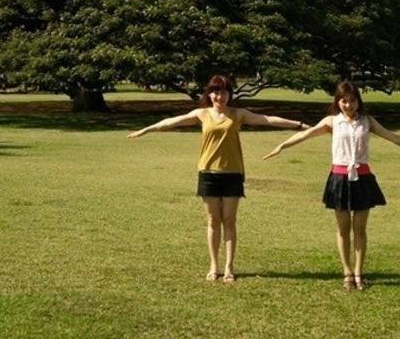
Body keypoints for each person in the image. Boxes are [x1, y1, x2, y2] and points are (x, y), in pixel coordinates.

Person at [127, 75, 309, 283]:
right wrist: (146, 129)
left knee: (229, 221)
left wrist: (299, 125)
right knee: (213, 221)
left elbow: (267, 119)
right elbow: (171, 122)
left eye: (223, 91)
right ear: (209, 94)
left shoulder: (238, 114)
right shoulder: (202, 114)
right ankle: (214, 266)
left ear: (229, 94)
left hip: (232, 174)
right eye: (215, 91)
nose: (219, 96)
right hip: (208, 174)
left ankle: (229, 267)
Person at [262, 80, 400, 290]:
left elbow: (393, 137)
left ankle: (358, 273)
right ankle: (346, 272)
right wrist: (281, 146)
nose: (349, 105)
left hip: (363, 179)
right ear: (338, 101)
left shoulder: (367, 121)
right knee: (343, 229)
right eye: (344, 101)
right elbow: (305, 134)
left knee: (360, 229)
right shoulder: (332, 122)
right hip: (339, 178)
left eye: (352, 100)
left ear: (358, 101)